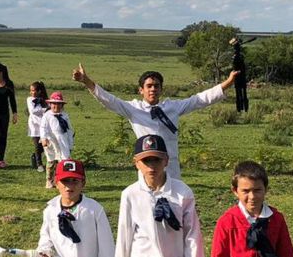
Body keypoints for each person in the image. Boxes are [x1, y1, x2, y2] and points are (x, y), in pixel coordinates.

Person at [72, 63, 239, 178]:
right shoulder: (134, 109)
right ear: (141, 90)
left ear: (161, 89)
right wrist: (86, 81)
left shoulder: (172, 107)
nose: (153, 89)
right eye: (149, 86)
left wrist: (228, 82)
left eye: (156, 86)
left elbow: (199, 100)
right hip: (146, 163)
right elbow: (109, 100)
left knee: (174, 202)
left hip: (170, 163)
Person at [39, 91, 74, 189]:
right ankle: (49, 180)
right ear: (50, 104)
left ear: (62, 105)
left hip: (63, 142)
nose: (56, 106)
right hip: (51, 142)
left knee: (63, 161)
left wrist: (70, 144)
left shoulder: (64, 116)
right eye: (54, 104)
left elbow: (69, 130)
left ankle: (61, 181)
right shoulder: (47, 115)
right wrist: (44, 138)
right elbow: (43, 128)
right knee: (51, 161)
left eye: (59, 104)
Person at [27, 81, 49, 171]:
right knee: (37, 144)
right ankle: (39, 164)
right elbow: (33, 111)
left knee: (44, 145)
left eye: (34, 90)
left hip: (44, 125)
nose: (32, 92)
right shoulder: (30, 99)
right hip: (34, 126)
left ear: (39, 91)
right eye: (31, 90)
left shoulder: (45, 100)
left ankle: (35, 157)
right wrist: (45, 109)